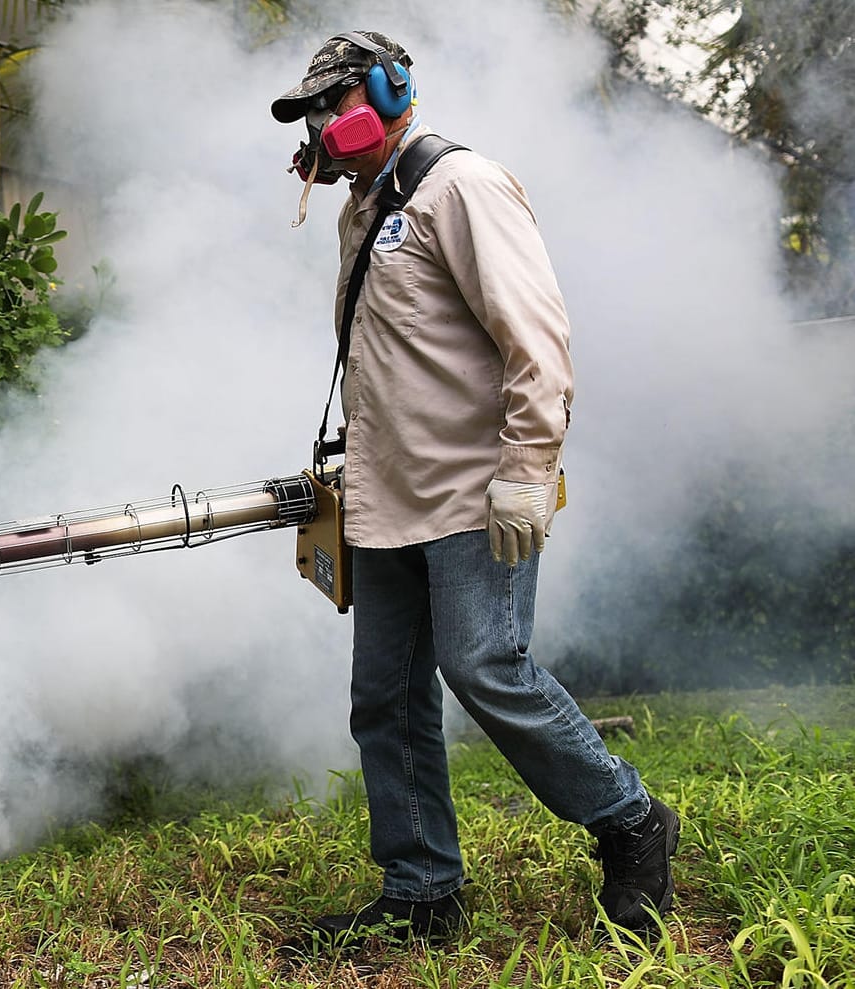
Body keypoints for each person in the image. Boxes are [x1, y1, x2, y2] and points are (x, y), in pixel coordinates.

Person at [269, 31, 680, 945]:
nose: (325, 129)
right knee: (385, 697)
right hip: (385, 499)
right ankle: (423, 893)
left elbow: (537, 342)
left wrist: (528, 472)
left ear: (387, 89)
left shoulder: (464, 187)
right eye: (314, 116)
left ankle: (631, 819)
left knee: (484, 665)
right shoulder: (362, 209)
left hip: (471, 494)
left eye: (335, 105)